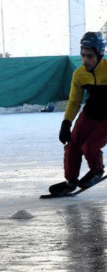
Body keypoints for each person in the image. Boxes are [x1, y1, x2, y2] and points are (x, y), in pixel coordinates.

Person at [49, 32, 107, 196]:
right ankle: (71, 180)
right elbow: (74, 101)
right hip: (90, 113)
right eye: (82, 55)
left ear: (100, 53)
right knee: (72, 145)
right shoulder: (79, 74)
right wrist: (66, 123)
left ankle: (96, 171)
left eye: (89, 56)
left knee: (90, 146)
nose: (84, 61)